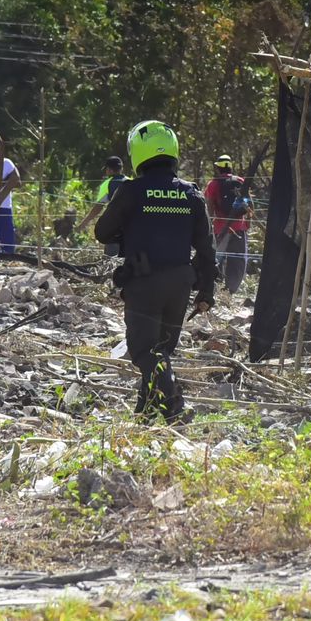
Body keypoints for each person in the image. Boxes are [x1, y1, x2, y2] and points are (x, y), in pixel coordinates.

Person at [94, 120, 216, 423]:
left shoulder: (131, 191)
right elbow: (207, 247)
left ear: (137, 152)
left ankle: (175, 403)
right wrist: (207, 291)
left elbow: (102, 232)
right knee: (161, 349)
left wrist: (128, 232)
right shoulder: (191, 194)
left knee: (144, 351)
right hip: (180, 282)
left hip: (144, 282)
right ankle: (147, 412)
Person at [203, 154, 251, 297]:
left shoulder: (213, 184)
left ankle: (214, 292)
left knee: (217, 260)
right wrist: (247, 224)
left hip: (220, 230)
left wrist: (209, 226)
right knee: (237, 262)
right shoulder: (241, 181)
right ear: (231, 167)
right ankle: (230, 293)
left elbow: (210, 208)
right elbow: (250, 205)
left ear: (217, 168)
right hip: (239, 229)